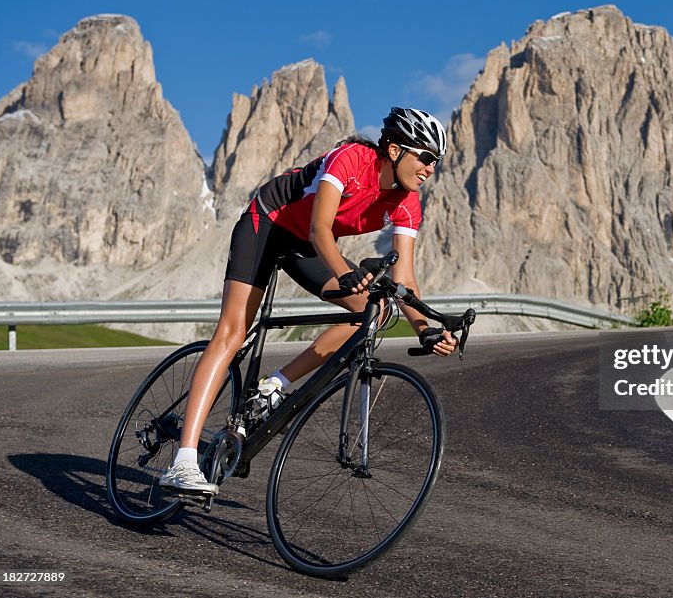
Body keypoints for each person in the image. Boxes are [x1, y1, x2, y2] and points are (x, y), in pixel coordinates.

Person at [160, 107, 456, 495]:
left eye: (436, 161)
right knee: (232, 333)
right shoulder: (351, 159)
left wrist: (425, 329)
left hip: (307, 246)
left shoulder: (407, 203)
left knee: (376, 310)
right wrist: (342, 274)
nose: (430, 169)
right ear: (397, 149)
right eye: (426, 157)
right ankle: (183, 461)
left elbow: (405, 279)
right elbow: (320, 227)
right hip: (267, 224)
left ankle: (275, 384)